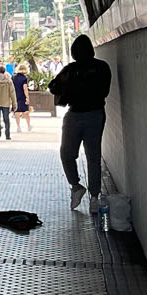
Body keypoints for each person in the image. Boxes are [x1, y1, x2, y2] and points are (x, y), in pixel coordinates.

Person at [50, 35, 113, 211]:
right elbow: (104, 91)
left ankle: (77, 186)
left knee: (67, 153)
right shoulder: (102, 67)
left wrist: (71, 87)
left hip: (75, 113)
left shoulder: (70, 70)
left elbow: (53, 86)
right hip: (95, 113)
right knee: (93, 156)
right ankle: (94, 196)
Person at [12, 65, 32, 132]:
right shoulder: (24, 78)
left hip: (15, 95)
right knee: (25, 111)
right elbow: (25, 88)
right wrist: (27, 97)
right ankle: (28, 126)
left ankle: (18, 127)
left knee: (16, 111)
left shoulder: (13, 77)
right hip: (22, 95)